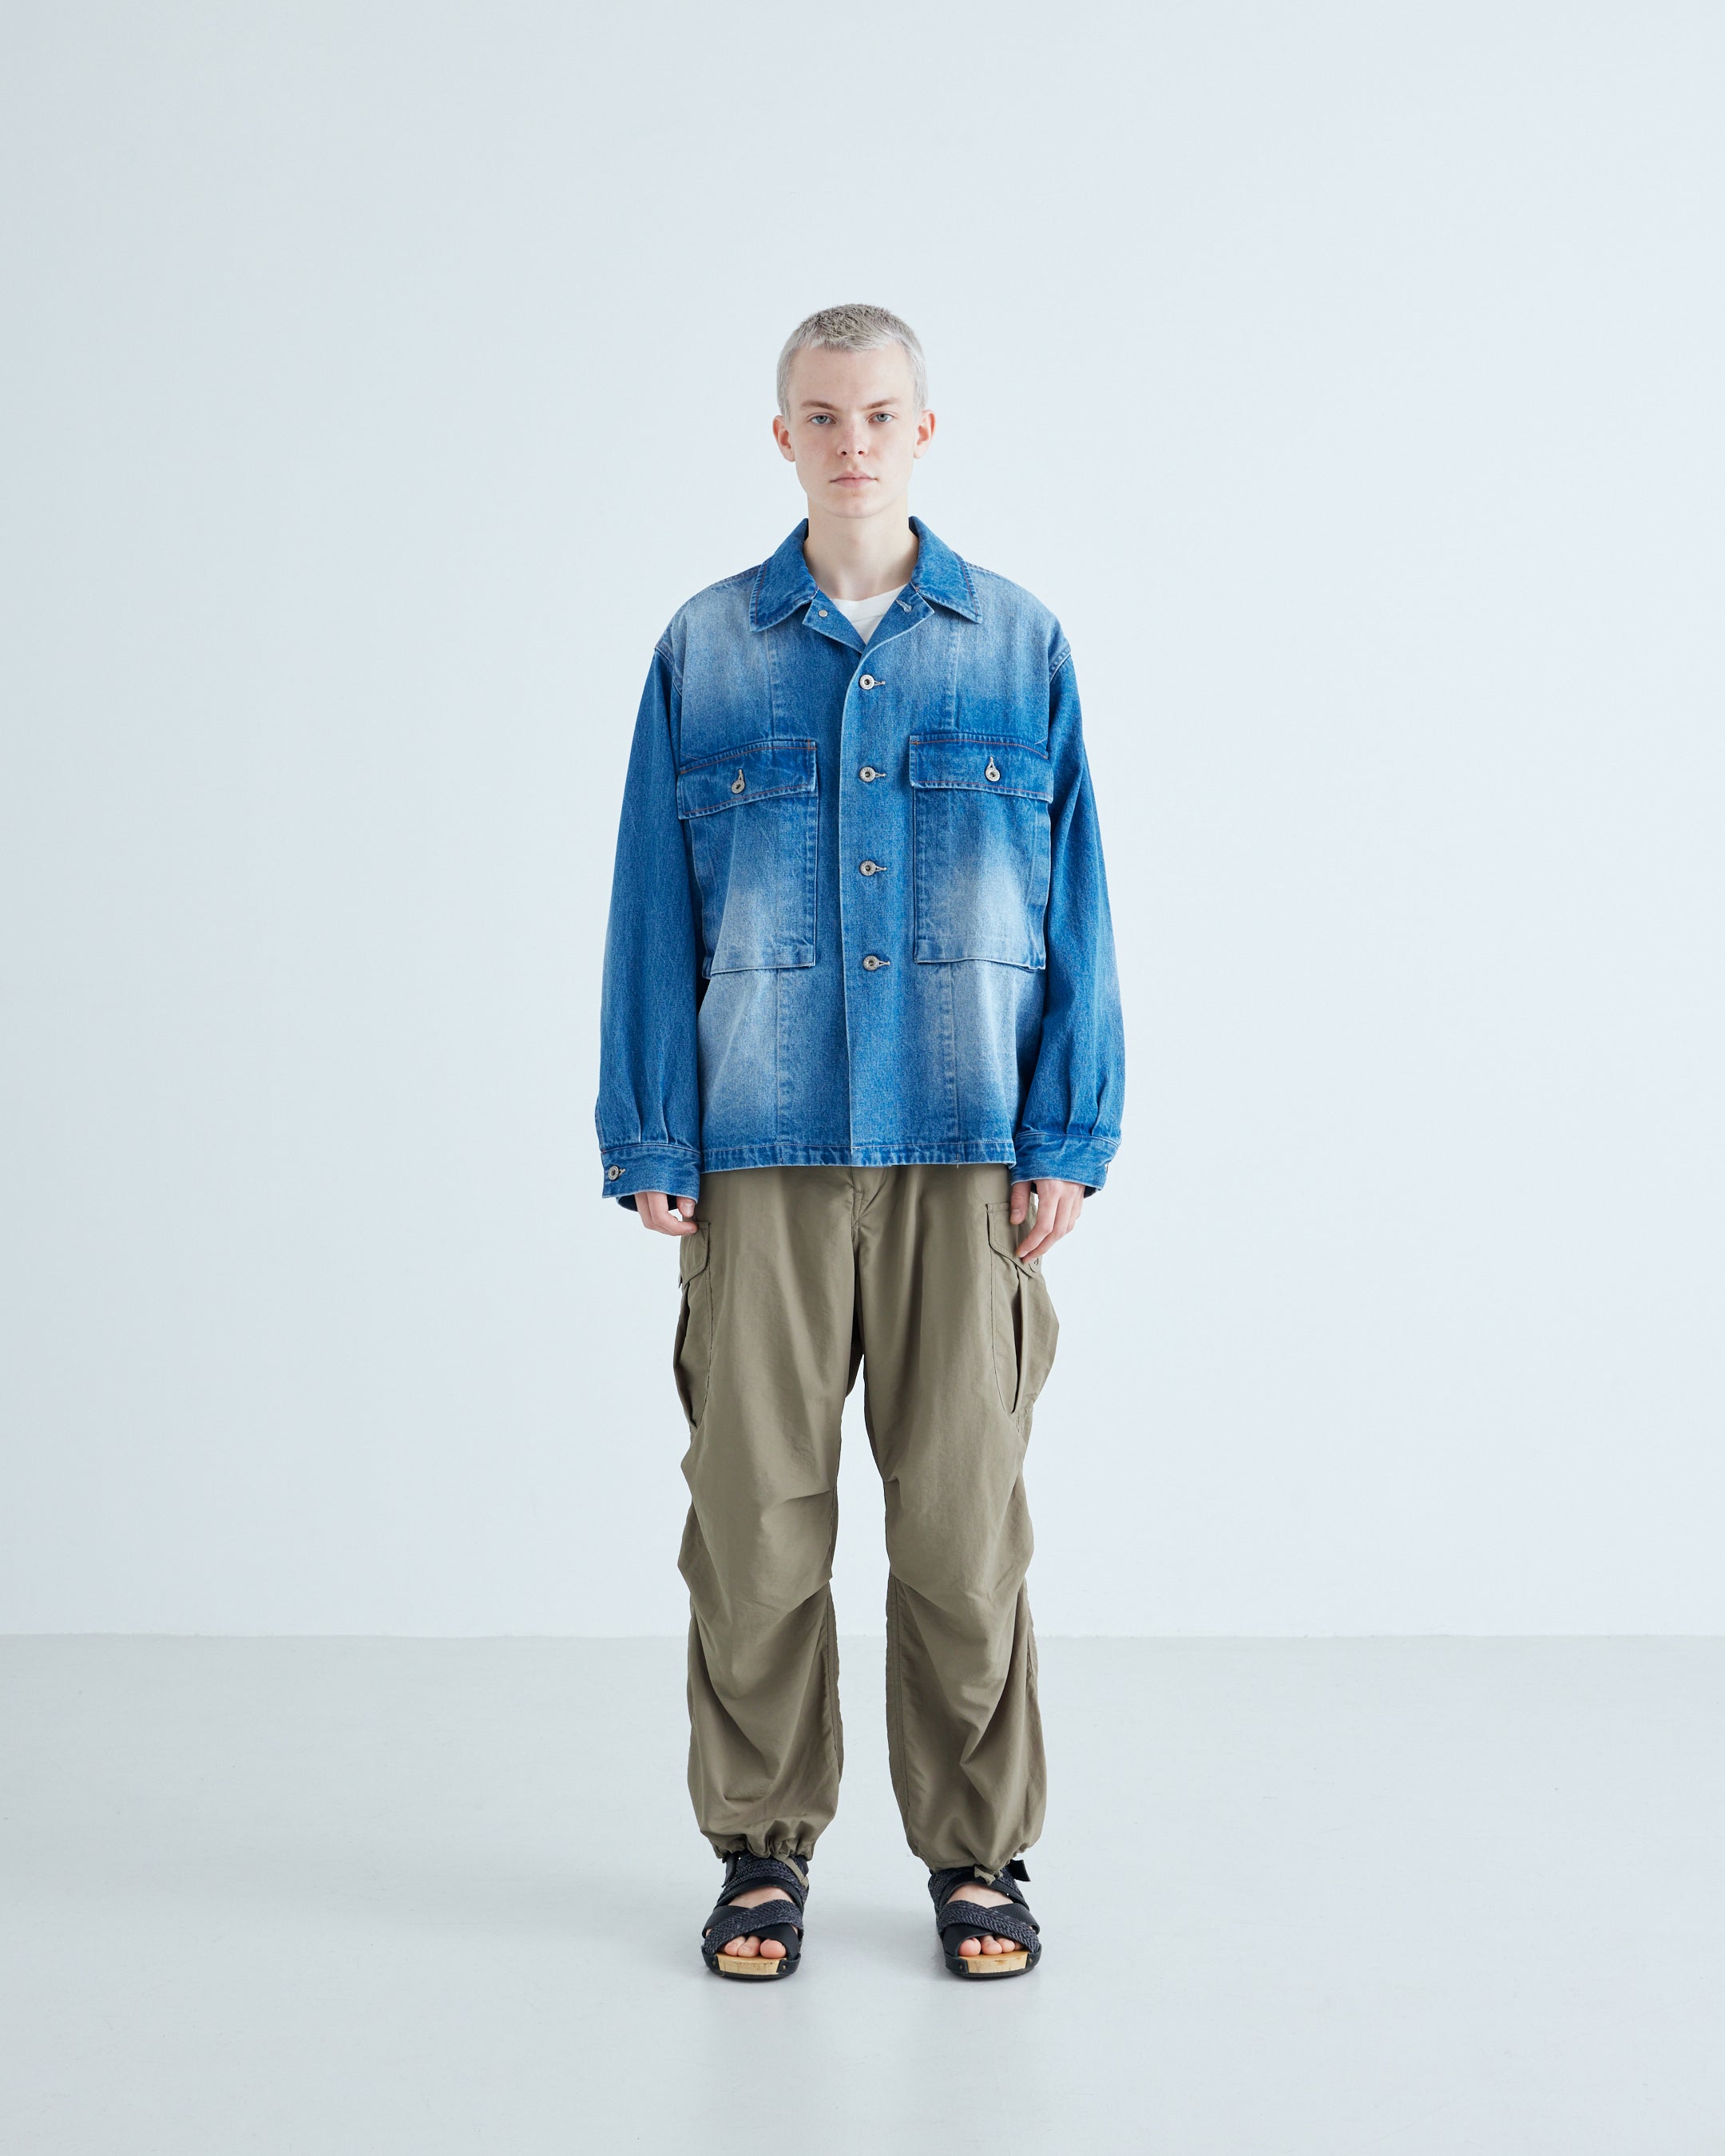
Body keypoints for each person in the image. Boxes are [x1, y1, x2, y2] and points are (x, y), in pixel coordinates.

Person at [596, 303, 1124, 1980]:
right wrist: (651, 1128)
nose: (852, 441)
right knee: (754, 1526)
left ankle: (979, 1857)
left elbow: (1080, 904)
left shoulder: (1017, 644)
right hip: (758, 1150)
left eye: (881, 412)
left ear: (924, 429)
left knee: (963, 1530)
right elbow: (649, 904)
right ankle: (760, 1850)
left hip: (970, 1147)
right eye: (821, 416)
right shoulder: (706, 648)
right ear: (783, 436)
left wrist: (1070, 1128)